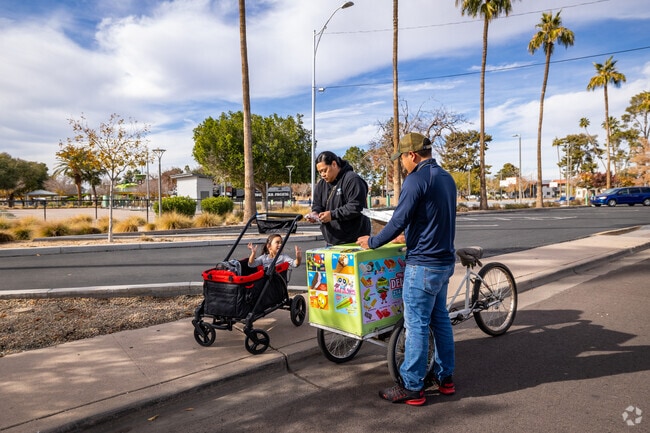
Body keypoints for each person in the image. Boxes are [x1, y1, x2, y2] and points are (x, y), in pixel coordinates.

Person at [356, 132, 457, 406]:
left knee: (417, 326)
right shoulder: (446, 178)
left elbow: (398, 219)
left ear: (412, 155)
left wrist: (373, 242)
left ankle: (412, 386)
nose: (400, 164)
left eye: (401, 158)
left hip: (422, 265)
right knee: (441, 320)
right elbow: (432, 219)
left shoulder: (416, 180)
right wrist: (410, 235)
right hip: (444, 262)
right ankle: (445, 378)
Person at [305, 151, 371, 245]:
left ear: (334, 164)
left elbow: (356, 206)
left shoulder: (352, 180)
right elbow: (317, 204)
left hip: (355, 241)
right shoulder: (321, 184)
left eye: (325, 170)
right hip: (331, 241)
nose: (322, 175)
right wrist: (315, 213)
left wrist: (332, 215)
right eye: (320, 172)